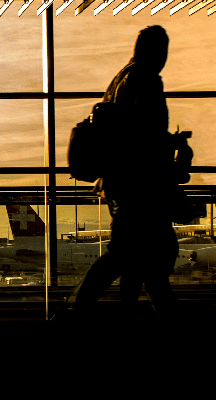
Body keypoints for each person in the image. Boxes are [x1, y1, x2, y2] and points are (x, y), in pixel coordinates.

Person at [64, 25, 180, 319]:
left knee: (137, 255)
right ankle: (74, 309)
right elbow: (147, 136)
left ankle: (84, 310)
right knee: (130, 255)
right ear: (157, 50)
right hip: (139, 184)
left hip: (118, 181)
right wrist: (171, 147)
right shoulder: (146, 79)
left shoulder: (119, 80)